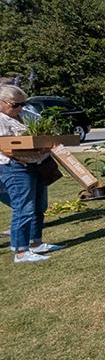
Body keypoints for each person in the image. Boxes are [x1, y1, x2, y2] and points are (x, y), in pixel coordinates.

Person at [0, 85, 62, 263]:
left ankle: (36, 243)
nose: (20, 108)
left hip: (37, 165)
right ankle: (20, 251)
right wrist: (35, 148)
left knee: (38, 206)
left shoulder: (26, 114)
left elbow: (48, 129)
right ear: (2, 103)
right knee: (24, 207)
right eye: (15, 104)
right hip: (14, 167)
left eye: (23, 103)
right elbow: (7, 149)